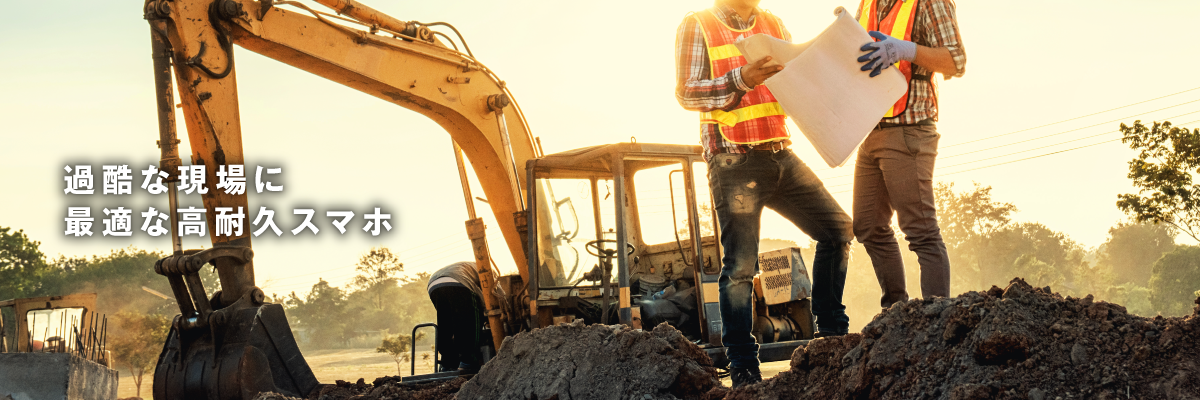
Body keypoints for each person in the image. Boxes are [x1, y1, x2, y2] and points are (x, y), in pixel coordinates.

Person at [675, 0, 854, 387]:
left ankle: (832, 337)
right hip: (733, 160)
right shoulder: (698, 25)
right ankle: (742, 365)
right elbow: (687, 93)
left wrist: (835, 43)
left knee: (838, 231)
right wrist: (742, 78)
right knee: (740, 267)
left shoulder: (774, 22)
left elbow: (803, 79)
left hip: (780, 154)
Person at [853, 0, 966, 308]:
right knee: (868, 225)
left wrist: (907, 50)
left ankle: (937, 318)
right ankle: (897, 314)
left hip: (909, 128)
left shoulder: (929, 2)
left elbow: (956, 60)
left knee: (920, 229)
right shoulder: (868, 4)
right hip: (873, 126)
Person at [426, 261, 486, 374]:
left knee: (446, 324)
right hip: (459, 282)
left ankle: (447, 364)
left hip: (433, 284)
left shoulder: (468, 266)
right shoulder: (487, 269)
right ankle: (468, 362)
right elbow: (496, 296)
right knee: (471, 322)